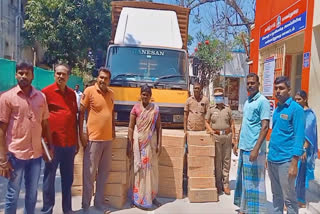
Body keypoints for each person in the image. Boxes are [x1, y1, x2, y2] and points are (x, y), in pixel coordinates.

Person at [0, 61, 52, 214]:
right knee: (13, 195)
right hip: (16, 155)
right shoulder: (7, 98)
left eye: (26, 73)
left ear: (32, 76)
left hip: (35, 155)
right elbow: (1, 130)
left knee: (32, 194)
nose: (23, 76)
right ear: (16, 75)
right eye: (20, 73)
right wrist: (3, 159)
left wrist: (49, 147)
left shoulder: (41, 97)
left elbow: (45, 123)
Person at [41, 63, 79, 214]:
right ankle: (47, 210)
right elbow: (41, 120)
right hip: (52, 144)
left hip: (69, 144)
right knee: (49, 180)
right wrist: (44, 144)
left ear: (68, 76)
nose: (61, 76)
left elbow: (74, 119)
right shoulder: (46, 93)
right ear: (54, 74)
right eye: (58, 73)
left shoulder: (71, 94)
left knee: (68, 180)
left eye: (64, 74)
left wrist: (76, 142)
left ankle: (67, 209)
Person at [79, 67, 115, 213]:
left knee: (103, 174)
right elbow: (81, 113)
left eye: (106, 78)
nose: (102, 80)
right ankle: (86, 206)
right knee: (89, 173)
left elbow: (111, 114)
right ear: (97, 77)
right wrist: (82, 133)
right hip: (93, 139)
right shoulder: (89, 91)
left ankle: (99, 203)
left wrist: (113, 131)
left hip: (107, 140)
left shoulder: (112, 94)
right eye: (101, 77)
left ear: (109, 80)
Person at [233, 73, 270, 213]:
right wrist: (237, 141)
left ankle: (255, 211)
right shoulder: (248, 101)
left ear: (258, 84)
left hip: (254, 149)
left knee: (255, 182)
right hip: (244, 146)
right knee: (244, 181)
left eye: (252, 83)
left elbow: (265, 126)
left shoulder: (263, 101)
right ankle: (244, 209)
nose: (250, 85)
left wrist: (256, 149)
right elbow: (245, 123)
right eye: (248, 83)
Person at [268, 76, 305, 214]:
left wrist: (294, 163)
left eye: (281, 88)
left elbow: (299, 136)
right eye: (276, 88)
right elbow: (275, 134)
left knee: (289, 199)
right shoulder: (277, 109)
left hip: (286, 161)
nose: (278, 91)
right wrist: (269, 156)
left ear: (289, 90)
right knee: (276, 196)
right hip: (273, 159)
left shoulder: (296, 110)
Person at [127, 85, 162, 209]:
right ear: (140, 95)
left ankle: (151, 197)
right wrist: (129, 144)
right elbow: (131, 127)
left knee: (151, 172)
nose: (145, 96)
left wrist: (159, 144)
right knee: (138, 170)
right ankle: (137, 198)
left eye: (147, 94)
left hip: (150, 145)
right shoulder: (135, 108)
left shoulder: (155, 109)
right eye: (143, 94)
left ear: (150, 96)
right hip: (138, 144)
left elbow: (159, 128)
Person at [205, 87, 236, 195]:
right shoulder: (211, 109)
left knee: (226, 161)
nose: (219, 98)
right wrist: (211, 131)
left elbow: (232, 123)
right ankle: (218, 184)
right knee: (218, 161)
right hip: (217, 137)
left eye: (220, 96)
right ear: (214, 98)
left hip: (227, 136)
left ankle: (226, 184)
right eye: (217, 96)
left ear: (223, 97)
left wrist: (234, 139)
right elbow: (206, 121)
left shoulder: (228, 109)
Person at [294, 90, 318, 208]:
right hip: (295, 147)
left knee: (299, 174)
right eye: (296, 99)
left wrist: (303, 149)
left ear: (305, 99)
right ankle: (296, 199)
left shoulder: (310, 114)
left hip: (303, 149)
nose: (297, 101)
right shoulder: (299, 112)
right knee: (295, 174)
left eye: (299, 99)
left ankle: (298, 200)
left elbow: (308, 134)